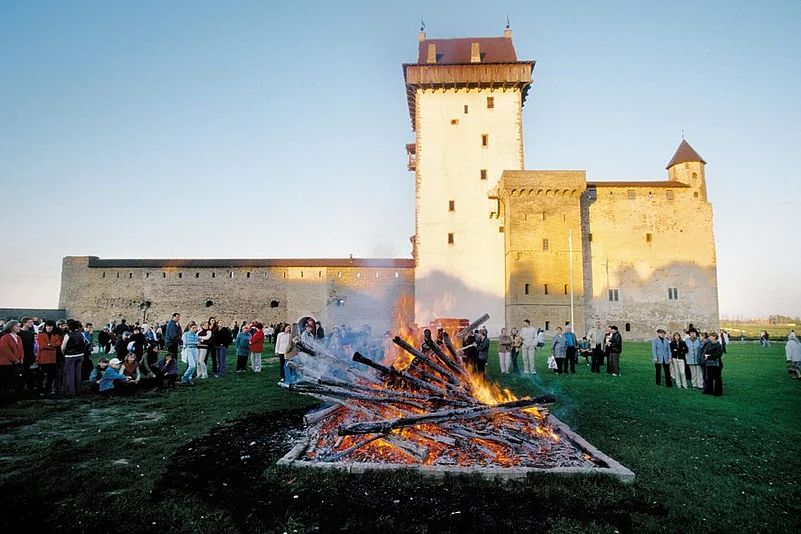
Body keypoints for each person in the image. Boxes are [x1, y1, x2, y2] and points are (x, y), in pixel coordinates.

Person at [61, 320, 89, 397]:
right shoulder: (81, 334)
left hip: (70, 356)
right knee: (78, 373)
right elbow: (86, 343)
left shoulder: (68, 335)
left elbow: (63, 347)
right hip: (80, 355)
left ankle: (70, 392)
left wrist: (64, 354)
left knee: (70, 374)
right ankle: (78, 390)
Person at [35, 320, 61, 395]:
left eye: (50, 326)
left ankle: (48, 389)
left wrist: (49, 345)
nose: (49, 328)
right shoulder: (41, 335)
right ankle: (40, 390)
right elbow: (42, 346)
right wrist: (53, 346)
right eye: (47, 326)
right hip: (43, 358)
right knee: (41, 376)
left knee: (51, 376)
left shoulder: (55, 335)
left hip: (52, 359)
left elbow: (59, 344)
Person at [0, 321, 25, 397]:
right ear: (11, 327)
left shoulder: (18, 337)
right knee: (6, 381)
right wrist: (14, 359)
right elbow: (5, 350)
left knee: (16, 380)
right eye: (16, 326)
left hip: (17, 363)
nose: (18, 327)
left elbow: (21, 348)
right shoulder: (5, 337)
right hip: (6, 363)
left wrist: (21, 357)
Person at [19, 317, 37, 392]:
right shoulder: (19, 333)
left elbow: (33, 345)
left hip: (29, 355)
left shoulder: (31, 333)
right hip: (21, 355)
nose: (31, 324)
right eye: (29, 322)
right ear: (24, 323)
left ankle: (31, 387)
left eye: (32, 322)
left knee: (30, 372)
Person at [703, 332, 723, 396]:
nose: (709, 337)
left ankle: (718, 392)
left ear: (714, 337)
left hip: (716, 364)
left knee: (717, 378)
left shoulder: (718, 345)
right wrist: (707, 355)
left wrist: (708, 356)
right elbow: (706, 351)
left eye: (711, 336)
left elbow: (717, 355)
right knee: (709, 378)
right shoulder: (709, 344)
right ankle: (709, 390)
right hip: (709, 363)